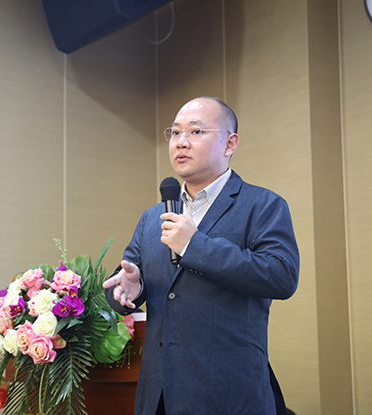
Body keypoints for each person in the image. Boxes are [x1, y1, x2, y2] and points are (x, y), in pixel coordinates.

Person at [103, 97, 300, 415]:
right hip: (159, 397)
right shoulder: (152, 218)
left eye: (195, 132)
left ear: (230, 143)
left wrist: (194, 246)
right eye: (175, 132)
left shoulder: (262, 205)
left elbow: (282, 276)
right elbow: (120, 290)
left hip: (229, 394)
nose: (181, 142)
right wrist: (129, 290)